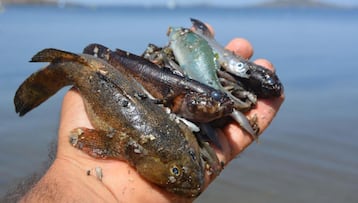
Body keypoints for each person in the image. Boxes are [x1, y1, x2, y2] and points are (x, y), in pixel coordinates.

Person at [19, 25, 285, 202]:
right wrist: (80, 178)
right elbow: (87, 138)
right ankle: (54, 75)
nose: (187, 176)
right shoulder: (131, 147)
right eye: (178, 171)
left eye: (186, 164)